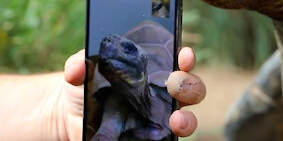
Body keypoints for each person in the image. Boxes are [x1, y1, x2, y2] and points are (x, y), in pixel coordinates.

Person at [0, 47, 205, 140]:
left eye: (125, 49)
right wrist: (61, 111)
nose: (109, 47)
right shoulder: (108, 105)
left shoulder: (158, 85)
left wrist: (60, 106)